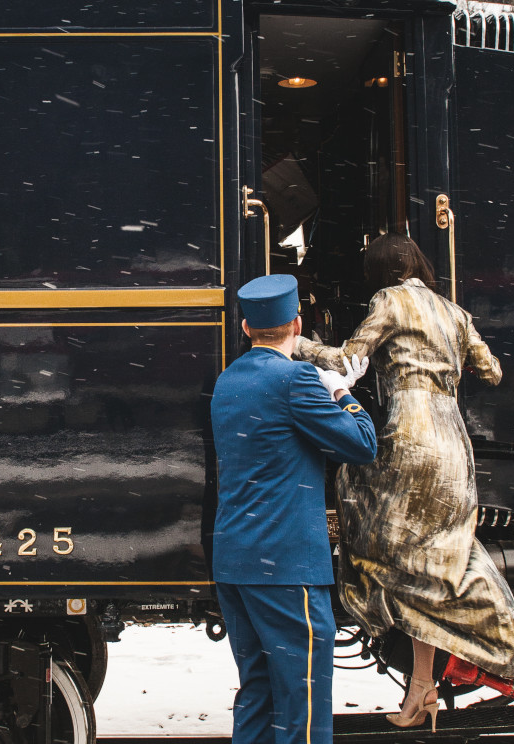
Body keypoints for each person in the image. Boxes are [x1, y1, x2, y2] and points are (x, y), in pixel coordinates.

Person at [294, 233, 514, 731]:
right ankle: (422, 687)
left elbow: (348, 361)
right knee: (430, 563)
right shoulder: (453, 310)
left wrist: (298, 345)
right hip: (454, 444)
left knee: (381, 541)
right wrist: (444, 364)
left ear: (380, 272)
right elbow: (491, 371)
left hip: (410, 435)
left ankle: (486, 644)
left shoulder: (390, 300)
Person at [211, 273, 378, 744]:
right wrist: (341, 392)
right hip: (284, 566)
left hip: (236, 563)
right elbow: (362, 445)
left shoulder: (228, 380)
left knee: (258, 696)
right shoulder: (297, 379)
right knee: (302, 708)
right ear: (297, 324)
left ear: (246, 328)